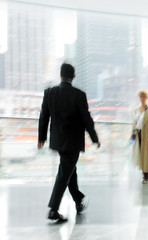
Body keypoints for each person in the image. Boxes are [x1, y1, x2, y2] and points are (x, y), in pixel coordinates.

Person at [38, 63, 100, 223]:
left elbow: (44, 116)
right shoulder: (78, 95)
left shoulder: (49, 93)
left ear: (60, 74)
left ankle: (78, 202)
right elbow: (87, 119)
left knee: (69, 171)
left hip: (58, 141)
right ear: (74, 76)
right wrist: (94, 138)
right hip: (73, 142)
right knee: (64, 173)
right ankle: (53, 209)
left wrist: (41, 137)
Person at [131, 90, 148, 184]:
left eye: (144, 97)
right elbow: (134, 123)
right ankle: (144, 176)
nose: (142, 99)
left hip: (146, 136)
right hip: (139, 135)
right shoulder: (137, 110)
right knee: (142, 156)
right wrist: (133, 134)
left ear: (147, 99)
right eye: (141, 97)